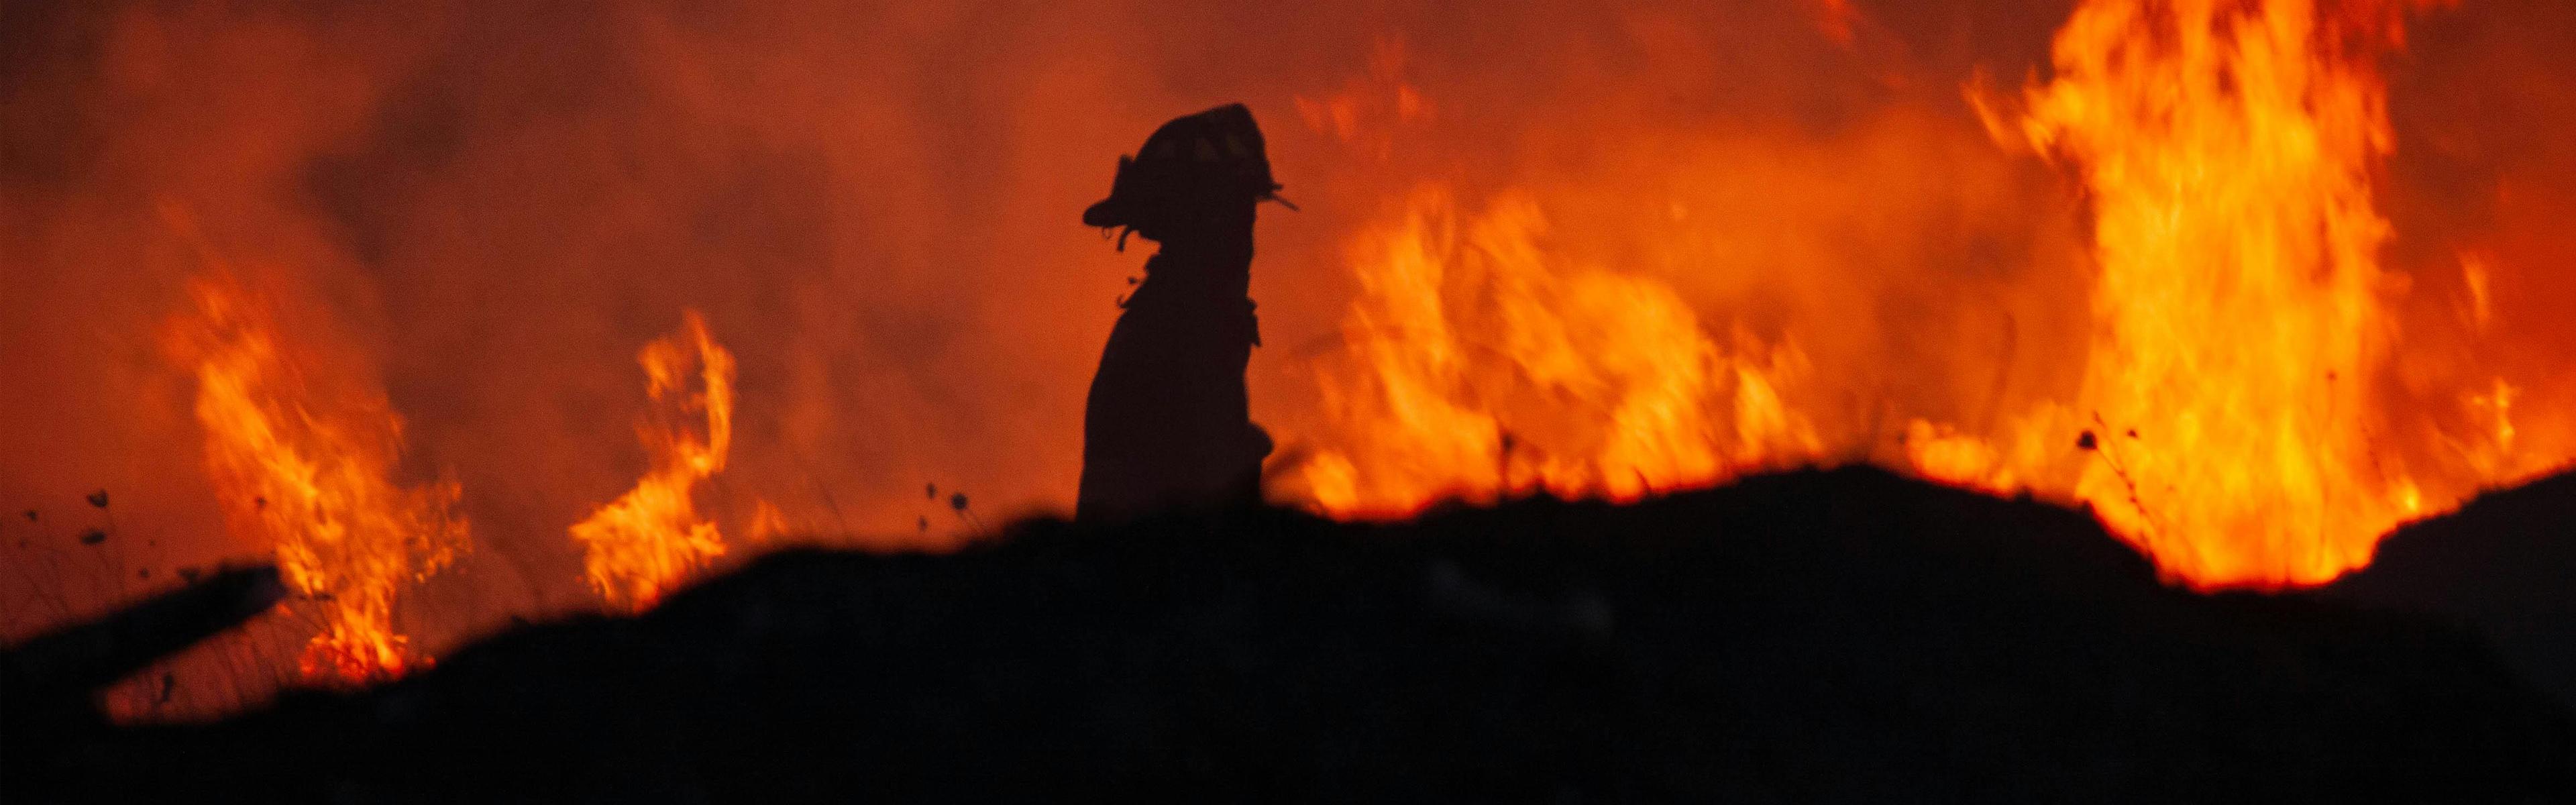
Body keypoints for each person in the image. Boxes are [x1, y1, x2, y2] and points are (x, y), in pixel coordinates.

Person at [1075, 103, 1285, 523]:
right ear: (1200, 220)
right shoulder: (1182, 328)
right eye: (1235, 212)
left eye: (1248, 213)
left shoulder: (1191, 318)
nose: (1245, 234)